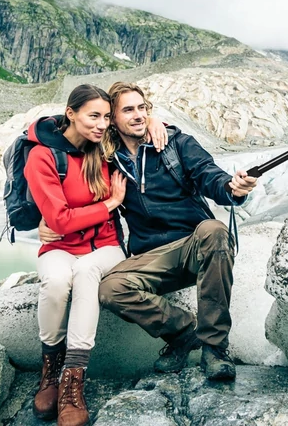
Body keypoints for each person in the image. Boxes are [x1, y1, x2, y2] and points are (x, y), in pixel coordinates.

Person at [40, 81, 257, 381]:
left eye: (143, 108)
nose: (139, 115)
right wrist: (44, 219)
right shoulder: (107, 160)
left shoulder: (175, 145)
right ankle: (184, 333)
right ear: (112, 119)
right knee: (110, 289)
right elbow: (63, 142)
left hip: (194, 245)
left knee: (215, 230)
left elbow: (208, 174)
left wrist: (232, 188)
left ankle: (215, 349)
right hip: (151, 257)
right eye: (128, 110)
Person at [26, 84, 127, 426]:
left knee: (85, 272)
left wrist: (158, 123)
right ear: (70, 113)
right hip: (59, 246)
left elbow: (139, 122)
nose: (102, 124)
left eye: (106, 117)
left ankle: (73, 378)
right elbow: (59, 220)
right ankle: (50, 365)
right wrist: (110, 203)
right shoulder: (43, 156)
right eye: (93, 116)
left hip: (106, 247)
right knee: (55, 280)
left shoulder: (107, 148)